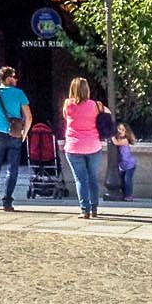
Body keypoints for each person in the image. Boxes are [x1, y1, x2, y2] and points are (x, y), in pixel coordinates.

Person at [0, 66, 31, 211]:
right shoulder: (19, 93)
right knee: (12, 169)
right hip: (15, 135)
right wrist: (24, 133)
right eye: (14, 77)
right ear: (7, 78)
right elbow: (28, 116)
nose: (16, 79)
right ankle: (7, 201)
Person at [63, 77, 108, 219]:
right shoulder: (96, 105)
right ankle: (94, 208)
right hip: (93, 146)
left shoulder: (67, 104)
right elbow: (108, 114)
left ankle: (85, 210)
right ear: (87, 89)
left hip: (74, 147)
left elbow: (66, 117)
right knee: (93, 178)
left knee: (80, 180)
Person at [113, 122, 139, 201]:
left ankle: (129, 195)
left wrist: (111, 135)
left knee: (127, 180)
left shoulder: (125, 140)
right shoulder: (118, 138)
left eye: (122, 130)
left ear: (126, 132)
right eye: (119, 129)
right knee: (122, 180)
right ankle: (124, 194)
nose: (120, 131)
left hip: (129, 164)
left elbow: (116, 143)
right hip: (122, 165)